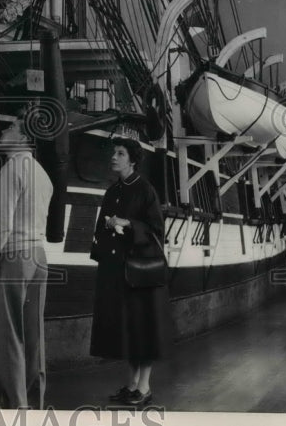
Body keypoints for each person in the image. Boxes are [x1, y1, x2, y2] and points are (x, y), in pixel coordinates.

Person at [0, 115, 54, 409]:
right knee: (35, 334)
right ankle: (33, 401)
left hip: (13, 256)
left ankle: (16, 406)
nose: (3, 130)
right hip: (39, 256)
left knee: (7, 333)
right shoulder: (42, 174)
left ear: (23, 139)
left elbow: (2, 225)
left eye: (11, 127)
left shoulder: (11, 169)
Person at [89, 137, 172, 407]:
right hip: (117, 273)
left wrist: (127, 223)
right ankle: (132, 385)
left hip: (140, 274)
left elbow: (157, 231)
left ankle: (144, 387)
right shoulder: (113, 191)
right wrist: (108, 227)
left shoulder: (145, 190)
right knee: (130, 331)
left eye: (120, 153)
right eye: (114, 153)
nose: (114, 157)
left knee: (142, 330)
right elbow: (101, 231)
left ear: (132, 160)